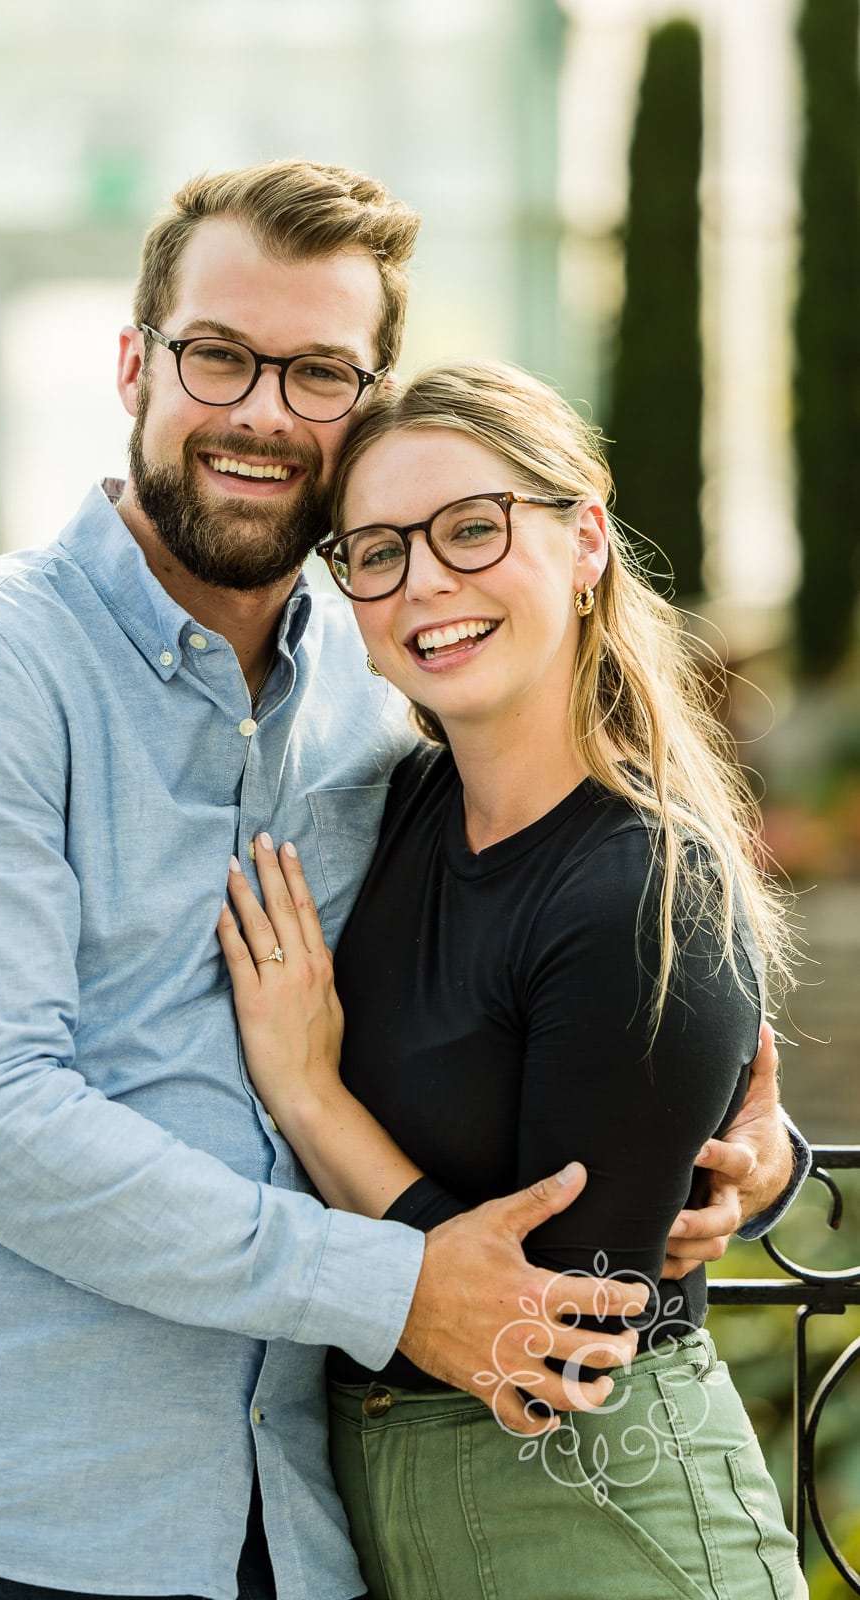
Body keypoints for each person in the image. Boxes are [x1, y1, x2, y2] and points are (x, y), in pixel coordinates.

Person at [0, 162, 803, 1600]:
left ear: (364, 402)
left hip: (297, 1526)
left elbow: (545, 986)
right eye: (220, 355)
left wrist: (722, 1157)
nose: (265, 411)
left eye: (319, 372)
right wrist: (397, 1288)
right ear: (137, 363)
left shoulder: (383, 692)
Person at [215, 360, 808, 1598]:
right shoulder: (396, 806)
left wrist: (309, 1096)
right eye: (373, 550)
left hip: (606, 1527)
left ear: (584, 538)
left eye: (471, 528)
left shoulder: (643, 890)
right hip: (383, 1517)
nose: (423, 580)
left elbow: (554, 1343)